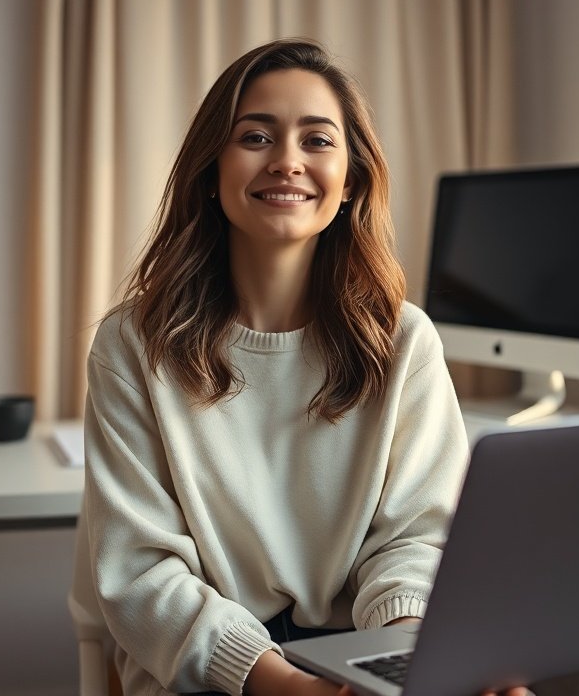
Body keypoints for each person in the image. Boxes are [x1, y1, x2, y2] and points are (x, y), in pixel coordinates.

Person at [70, 38, 529, 696]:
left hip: (365, 650)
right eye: (255, 137)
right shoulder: (133, 344)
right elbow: (141, 578)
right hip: (207, 672)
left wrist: (401, 662)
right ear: (211, 169)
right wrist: (281, 683)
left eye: (317, 141)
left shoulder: (404, 341)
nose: (287, 161)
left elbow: (418, 542)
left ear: (351, 181)